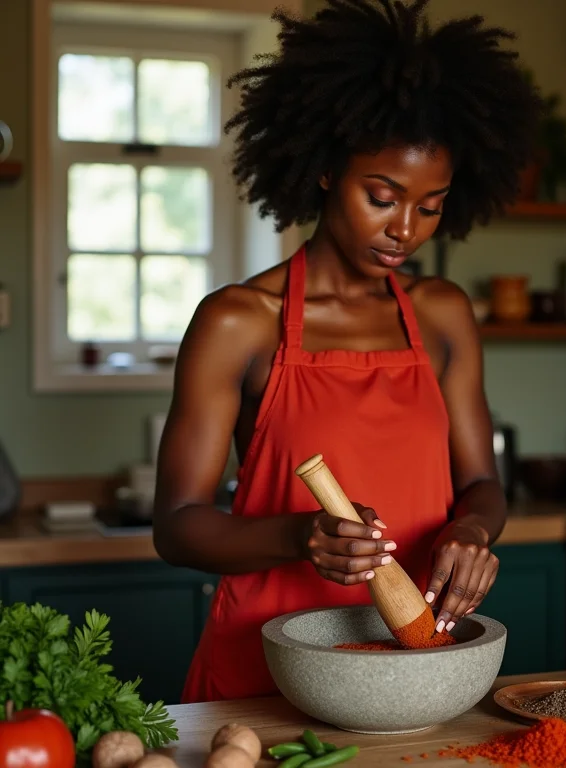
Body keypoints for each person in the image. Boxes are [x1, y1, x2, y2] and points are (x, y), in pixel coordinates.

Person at [152, 0, 540, 703]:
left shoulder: (443, 315)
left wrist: (472, 530)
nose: (405, 230)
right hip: (261, 673)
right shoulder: (239, 322)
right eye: (382, 197)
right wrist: (301, 536)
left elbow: (482, 482)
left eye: (430, 207)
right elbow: (178, 526)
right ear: (329, 169)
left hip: (409, 669)